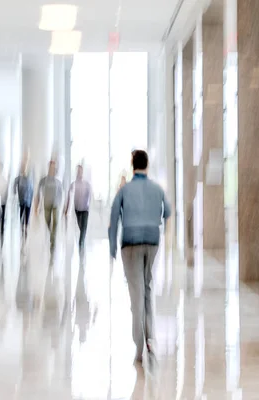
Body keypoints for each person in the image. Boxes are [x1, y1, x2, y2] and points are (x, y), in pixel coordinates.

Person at [108, 150, 171, 365]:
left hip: (131, 242)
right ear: (147, 165)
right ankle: (150, 338)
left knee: (136, 292)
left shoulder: (124, 190)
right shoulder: (157, 189)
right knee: (147, 287)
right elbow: (168, 212)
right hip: (152, 241)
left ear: (133, 164)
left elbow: (114, 216)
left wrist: (112, 250)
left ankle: (138, 345)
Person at [34, 160, 63, 254]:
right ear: (49, 168)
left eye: (54, 168)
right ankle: (51, 234)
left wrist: (61, 206)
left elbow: (60, 194)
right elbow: (38, 193)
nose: (52, 169)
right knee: (47, 222)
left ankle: (53, 241)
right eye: (51, 168)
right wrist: (36, 207)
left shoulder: (58, 182)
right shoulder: (43, 180)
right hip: (46, 204)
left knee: (55, 222)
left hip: (55, 205)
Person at [65, 165, 92, 253]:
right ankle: (82, 244)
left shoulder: (86, 184)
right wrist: (67, 210)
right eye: (78, 171)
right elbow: (69, 196)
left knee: (83, 229)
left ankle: (81, 245)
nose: (79, 173)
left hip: (85, 210)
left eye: (81, 171)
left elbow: (90, 196)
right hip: (77, 210)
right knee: (81, 228)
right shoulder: (74, 184)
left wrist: (89, 205)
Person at [14, 160, 34, 238]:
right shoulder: (20, 178)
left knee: (26, 214)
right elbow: (15, 185)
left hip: (28, 200)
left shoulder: (29, 180)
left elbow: (32, 189)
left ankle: (25, 227)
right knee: (22, 213)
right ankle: (23, 227)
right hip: (22, 200)